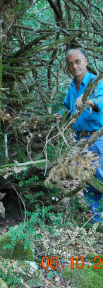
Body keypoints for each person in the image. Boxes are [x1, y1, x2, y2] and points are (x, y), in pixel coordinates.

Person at [56, 48, 103, 223]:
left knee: (101, 176)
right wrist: (62, 116)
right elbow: (67, 108)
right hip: (80, 140)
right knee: (87, 178)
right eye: (70, 64)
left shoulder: (96, 82)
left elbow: (101, 101)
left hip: (98, 139)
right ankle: (97, 219)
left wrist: (89, 101)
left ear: (85, 61)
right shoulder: (72, 87)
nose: (75, 66)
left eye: (77, 61)